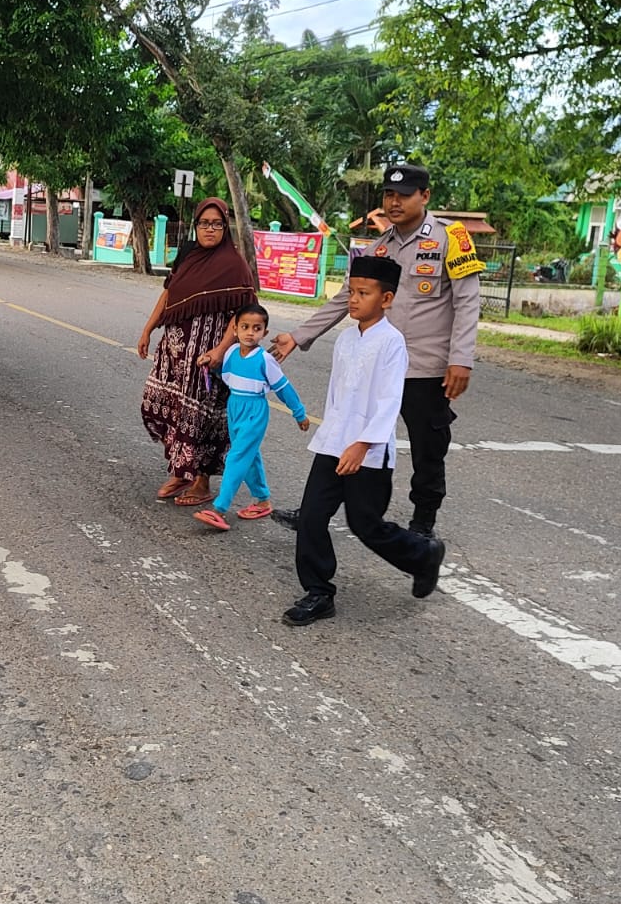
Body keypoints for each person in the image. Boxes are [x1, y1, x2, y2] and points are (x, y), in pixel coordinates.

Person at [271, 162, 478, 539]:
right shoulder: (379, 247)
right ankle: (315, 511)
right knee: (345, 435)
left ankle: (423, 525)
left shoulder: (452, 238)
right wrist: (299, 336)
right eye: (388, 195)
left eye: (403, 195)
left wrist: (460, 359)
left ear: (425, 196)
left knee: (427, 450)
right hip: (377, 365)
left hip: (424, 369)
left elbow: (467, 302)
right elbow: (344, 298)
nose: (394, 202)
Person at [284, 256, 447, 627]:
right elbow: (338, 396)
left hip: (368, 454)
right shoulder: (345, 338)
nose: (353, 299)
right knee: (310, 517)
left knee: (366, 525)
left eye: (363, 293)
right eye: (351, 292)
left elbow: (390, 401)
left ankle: (423, 555)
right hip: (332, 446)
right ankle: (318, 592)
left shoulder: (392, 342)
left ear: (386, 298)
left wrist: (363, 444)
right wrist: (332, 435)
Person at [138, 198, 257, 507]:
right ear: (196, 225)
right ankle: (181, 470)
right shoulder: (188, 255)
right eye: (204, 223)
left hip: (206, 358)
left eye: (217, 224)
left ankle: (201, 482)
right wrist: (148, 329)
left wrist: (220, 349)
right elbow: (168, 293)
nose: (210, 229)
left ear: (225, 227)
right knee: (161, 406)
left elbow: (243, 314)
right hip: (174, 352)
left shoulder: (234, 265)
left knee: (199, 418)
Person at [189, 302, 309, 530]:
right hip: (235, 406)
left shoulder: (265, 360)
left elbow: (283, 388)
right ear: (235, 329)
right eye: (245, 327)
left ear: (265, 332)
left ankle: (219, 509)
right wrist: (209, 366)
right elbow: (227, 374)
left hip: (255, 412)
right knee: (249, 456)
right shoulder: (232, 351)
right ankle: (262, 500)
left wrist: (299, 413)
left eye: (256, 328)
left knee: (236, 456)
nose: (250, 333)